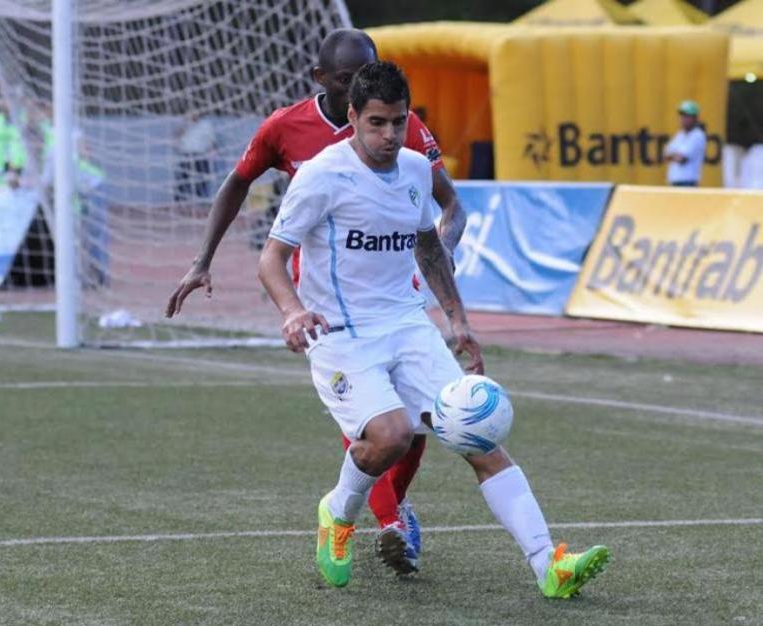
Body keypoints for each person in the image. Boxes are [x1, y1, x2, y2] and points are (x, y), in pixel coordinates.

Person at [258, 61, 611, 595]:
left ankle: (550, 564)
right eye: (376, 122)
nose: (388, 135)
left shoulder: (415, 169)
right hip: (342, 334)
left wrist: (457, 321)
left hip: (407, 323)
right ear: (352, 116)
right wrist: (291, 311)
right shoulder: (321, 176)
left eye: (398, 122)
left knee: (480, 436)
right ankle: (338, 511)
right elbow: (271, 259)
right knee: (392, 436)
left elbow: (427, 244)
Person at [165, 29, 468, 566]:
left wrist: (439, 249)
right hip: (322, 300)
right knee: (372, 419)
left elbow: (448, 206)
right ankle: (388, 520)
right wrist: (202, 259)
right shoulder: (286, 126)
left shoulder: (403, 126)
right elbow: (237, 184)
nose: (364, 91)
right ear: (322, 81)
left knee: (416, 425)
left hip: (393, 292)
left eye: (370, 76)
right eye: (350, 81)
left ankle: (391, 509)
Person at [174, 113, 216, 205]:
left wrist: (212, 151)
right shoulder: (184, 124)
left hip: (200, 155)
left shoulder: (205, 124)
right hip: (186, 155)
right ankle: (179, 202)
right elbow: (177, 136)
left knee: (202, 179)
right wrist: (185, 123)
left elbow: (211, 140)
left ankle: (200, 201)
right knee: (183, 179)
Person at [664, 100, 707, 187]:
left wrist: (672, 155)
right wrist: (673, 156)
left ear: (695, 118)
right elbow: (665, 155)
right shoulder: (680, 135)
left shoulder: (698, 135)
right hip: (674, 182)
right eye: (682, 115)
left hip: (688, 183)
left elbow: (682, 159)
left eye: (687, 116)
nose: (683, 118)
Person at [0, 92, 27, 188]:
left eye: (8, 97)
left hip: (21, 180)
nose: (3, 101)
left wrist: (17, 170)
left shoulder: (26, 120)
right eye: (1, 97)